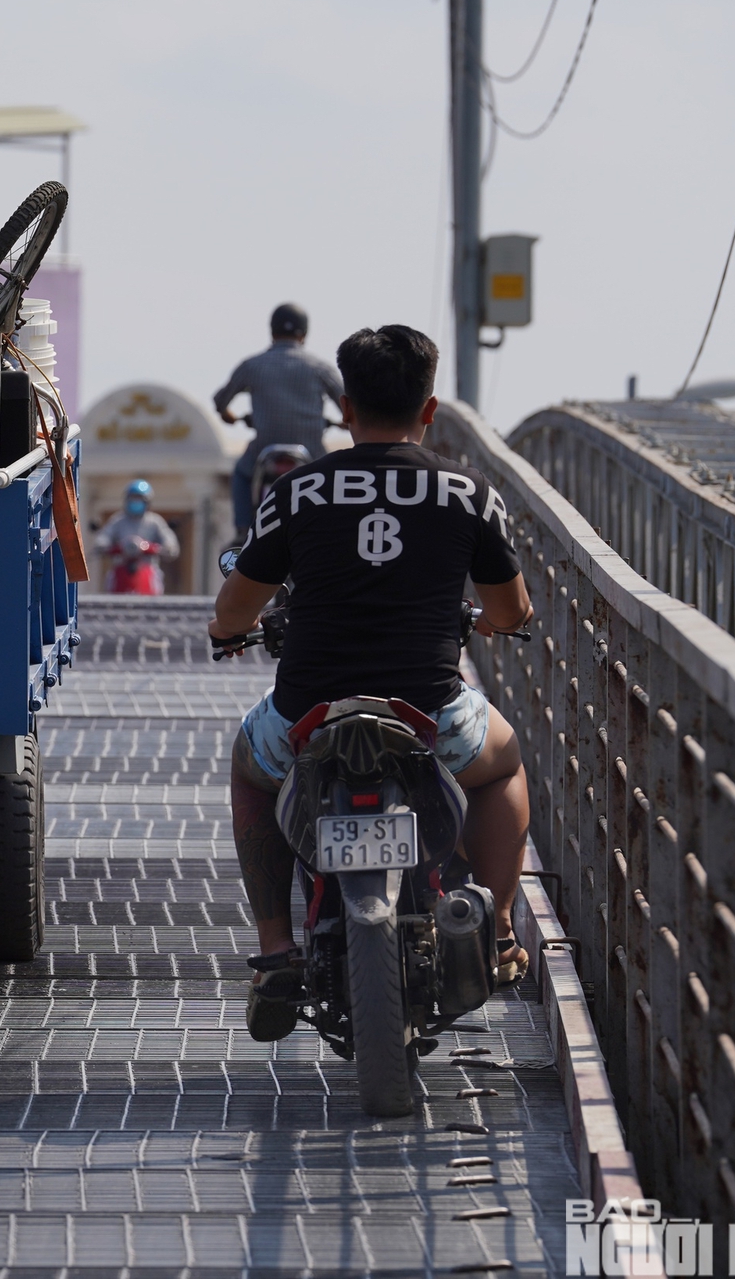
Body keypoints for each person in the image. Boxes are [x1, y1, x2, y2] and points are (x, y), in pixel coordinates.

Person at [206, 324, 534, 1042]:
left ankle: (272, 950)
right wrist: (489, 618)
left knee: (248, 769)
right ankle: (503, 931)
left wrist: (226, 635)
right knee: (503, 762)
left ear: (346, 409)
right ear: (430, 409)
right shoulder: (469, 492)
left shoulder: (295, 492)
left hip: (308, 719)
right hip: (431, 718)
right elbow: (511, 611)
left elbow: (234, 609)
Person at [213, 303, 345, 542]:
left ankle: (242, 530)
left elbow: (220, 401)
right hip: (310, 452)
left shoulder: (252, 365)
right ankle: (332, 529)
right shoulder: (319, 368)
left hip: (264, 451)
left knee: (242, 475)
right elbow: (349, 404)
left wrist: (229, 417)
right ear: (304, 334)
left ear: (272, 331)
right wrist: (343, 423)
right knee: (331, 478)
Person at [93, 479, 181, 594]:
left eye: (139, 499)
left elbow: (168, 538)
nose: (135, 502)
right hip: (121, 566)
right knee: (110, 580)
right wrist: (102, 544)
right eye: (132, 499)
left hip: (147, 566)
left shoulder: (155, 521)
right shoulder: (118, 520)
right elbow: (105, 535)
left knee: (157, 580)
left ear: (147, 502)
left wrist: (168, 546)